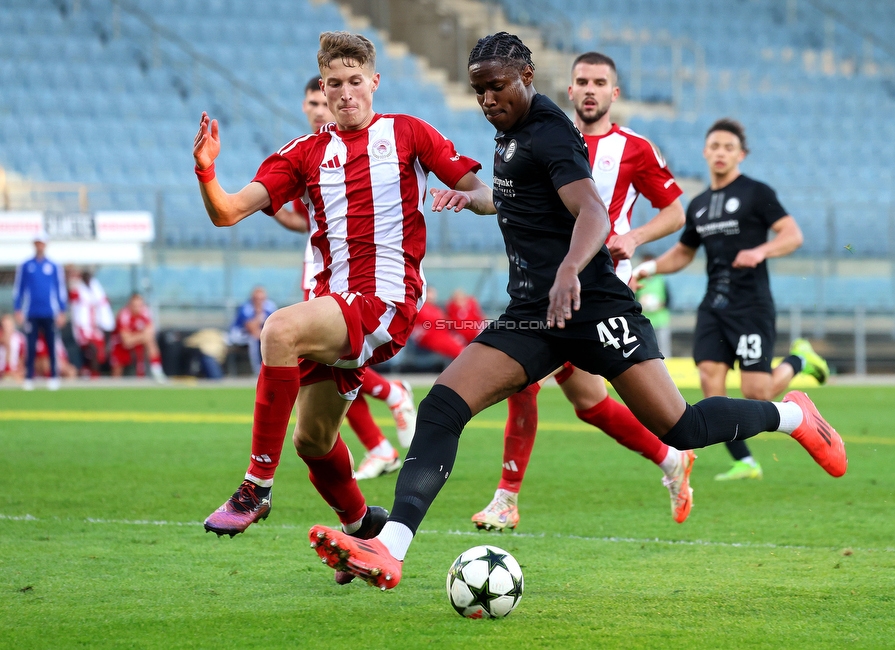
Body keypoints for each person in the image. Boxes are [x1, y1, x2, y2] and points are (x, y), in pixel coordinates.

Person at [309, 32, 847, 591]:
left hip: (591, 306)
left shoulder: (548, 131)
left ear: (528, 77)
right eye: (479, 91)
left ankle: (793, 416)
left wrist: (569, 270)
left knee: (680, 427)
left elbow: (590, 209)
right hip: (532, 313)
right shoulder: (509, 131)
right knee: (443, 406)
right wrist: (471, 199)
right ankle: (390, 547)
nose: (488, 100)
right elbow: (516, 193)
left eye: (497, 88)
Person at [195, 31, 492, 580]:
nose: (345, 93)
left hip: (387, 299)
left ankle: (256, 487)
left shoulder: (408, 133)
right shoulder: (303, 153)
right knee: (314, 441)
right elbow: (228, 213)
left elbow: (487, 195)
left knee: (279, 330)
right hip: (335, 304)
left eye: (355, 82)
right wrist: (207, 172)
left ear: (374, 82)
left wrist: (464, 197)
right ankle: (361, 531)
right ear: (323, 89)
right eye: (335, 84)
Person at [469, 51, 694, 532]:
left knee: (537, 384)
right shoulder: (541, 135)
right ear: (568, 90)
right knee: (587, 403)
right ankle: (670, 460)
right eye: (581, 82)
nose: (590, 89)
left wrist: (633, 238)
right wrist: (473, 199)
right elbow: (506, 195)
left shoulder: (634, 148)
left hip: (601, 289)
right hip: (549, 286)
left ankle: (507, 497)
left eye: (600, 82)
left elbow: (677, 211)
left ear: (614, 93)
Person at [632, 118, 830, 481]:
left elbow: (793, 234)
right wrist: (649, 269)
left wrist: (761, 251)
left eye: (728, 147)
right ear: (705, 152)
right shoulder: (700, 205)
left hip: (751, 305)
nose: (721, 153)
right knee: (709, 378)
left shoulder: (757, 192)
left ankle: (801, 358)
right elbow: (684, 252)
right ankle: (745, 461)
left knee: (759, 392)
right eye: (715, 146)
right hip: (714, 307)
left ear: (741, 154)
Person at [270, 74, 418, 479]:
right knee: (324, 361)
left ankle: (389, 396)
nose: (321, 109)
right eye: (314, 104)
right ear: (306, 106)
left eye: (325, 102)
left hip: (368, 273)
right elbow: (305, 221)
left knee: (318, 348)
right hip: (321, 269)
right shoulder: (310, 155)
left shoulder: (379, 145)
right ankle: (378, 447)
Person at [13, 231, 66, 391]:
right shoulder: (26, 265)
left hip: (49, 312)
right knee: (31, 345)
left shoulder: (54, 266)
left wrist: (62, 310)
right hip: (31, 312)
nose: (40, 245)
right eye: (37, 242)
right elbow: (19, 289)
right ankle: (29, 377)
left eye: (42, 242)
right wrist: (18, 309)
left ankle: (54, 376)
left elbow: (60, 289)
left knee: (52, 345)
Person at [67, 266, 114, 377]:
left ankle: (93, 373)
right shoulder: (78, 289)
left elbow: (104, 303)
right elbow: (71, 294)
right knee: (92, 348)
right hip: (82, 328)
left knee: (101, 351)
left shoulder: (94, 289)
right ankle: (90, 372)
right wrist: (72, 277)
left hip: (94, 327)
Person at [110, 292, 165, 381]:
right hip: (119, 344)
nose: (137, 308)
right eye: (135, 305)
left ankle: (157, 371)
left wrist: (140, 337)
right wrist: (142, 336)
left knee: (150, 342)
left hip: (137, 341)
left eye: (140, 305)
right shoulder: (124, 315)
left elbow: (150, 332)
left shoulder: (145, 312)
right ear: (129, 305)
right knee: (117, 371)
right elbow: (126, 341)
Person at [228, 286, 277, 374]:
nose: (259, 301)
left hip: (260, 333)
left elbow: (275, 325)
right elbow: (251, 329)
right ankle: (258, 370)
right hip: (240, 334)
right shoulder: (246, 308)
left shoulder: (270, 306)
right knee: (253, 340)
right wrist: (258, 315)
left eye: (261, 299)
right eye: (257, 299)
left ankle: (273, 367)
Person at [633, 254, 671, 358]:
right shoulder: (637, 281)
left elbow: (668, 299)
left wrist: (660, 304)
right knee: (647, 348)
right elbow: (632, 300)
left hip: (661, 320)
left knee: (664, 347)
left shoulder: (661, 280)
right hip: (644, 321)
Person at [0, 313, 27, 381]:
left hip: (14, 371)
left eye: (8, 325)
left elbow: (22, 357)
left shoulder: (19, 338)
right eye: (4, 325)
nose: (6, 328)